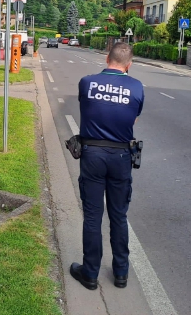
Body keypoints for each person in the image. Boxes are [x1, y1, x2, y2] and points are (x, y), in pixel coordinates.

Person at [70, 42, 144, 290]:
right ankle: (121, 272)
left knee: (92, 217)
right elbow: (132, 117)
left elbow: (88, 108)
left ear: (106, 58)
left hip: (92, 154)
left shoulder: (86, 82)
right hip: (121, 157)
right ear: (129, 65)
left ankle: (90, 273)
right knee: (119, 216)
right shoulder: (136, 87)